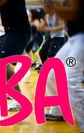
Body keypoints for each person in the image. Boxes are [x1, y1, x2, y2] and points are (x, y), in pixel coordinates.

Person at [44, 0, 84, 132]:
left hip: (81, 40)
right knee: (52, 73)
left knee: (71, 79)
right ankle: (58, 110)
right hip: (72, 40)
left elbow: (72, 13)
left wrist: (53, 5)